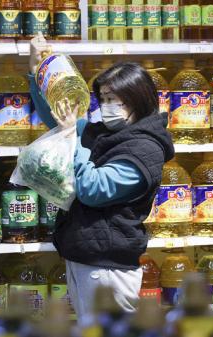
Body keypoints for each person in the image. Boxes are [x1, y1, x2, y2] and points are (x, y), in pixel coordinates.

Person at [28, 34, 175, 322]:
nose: (106, 106)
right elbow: (58, 118)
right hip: (88, 257)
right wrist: (37, 69)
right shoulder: (110, 133)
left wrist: (72, 135)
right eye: (103, 99)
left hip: (108, 268)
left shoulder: (144, 149)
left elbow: (92, 189)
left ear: (137, 100)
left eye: (113, 100)